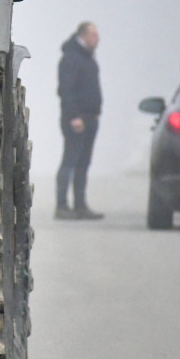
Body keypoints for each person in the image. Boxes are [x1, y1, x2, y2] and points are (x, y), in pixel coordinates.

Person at [55, 21, 104, 220]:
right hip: (76, 119)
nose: (97, 39)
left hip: (90, 118)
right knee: (70, 161)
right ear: (82, 36)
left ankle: (80, 206)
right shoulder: (71, 58)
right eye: (93, 35)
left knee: (83, 163)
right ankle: (61, 206)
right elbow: (65, 90)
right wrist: (74, 116)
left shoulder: (88, 58)